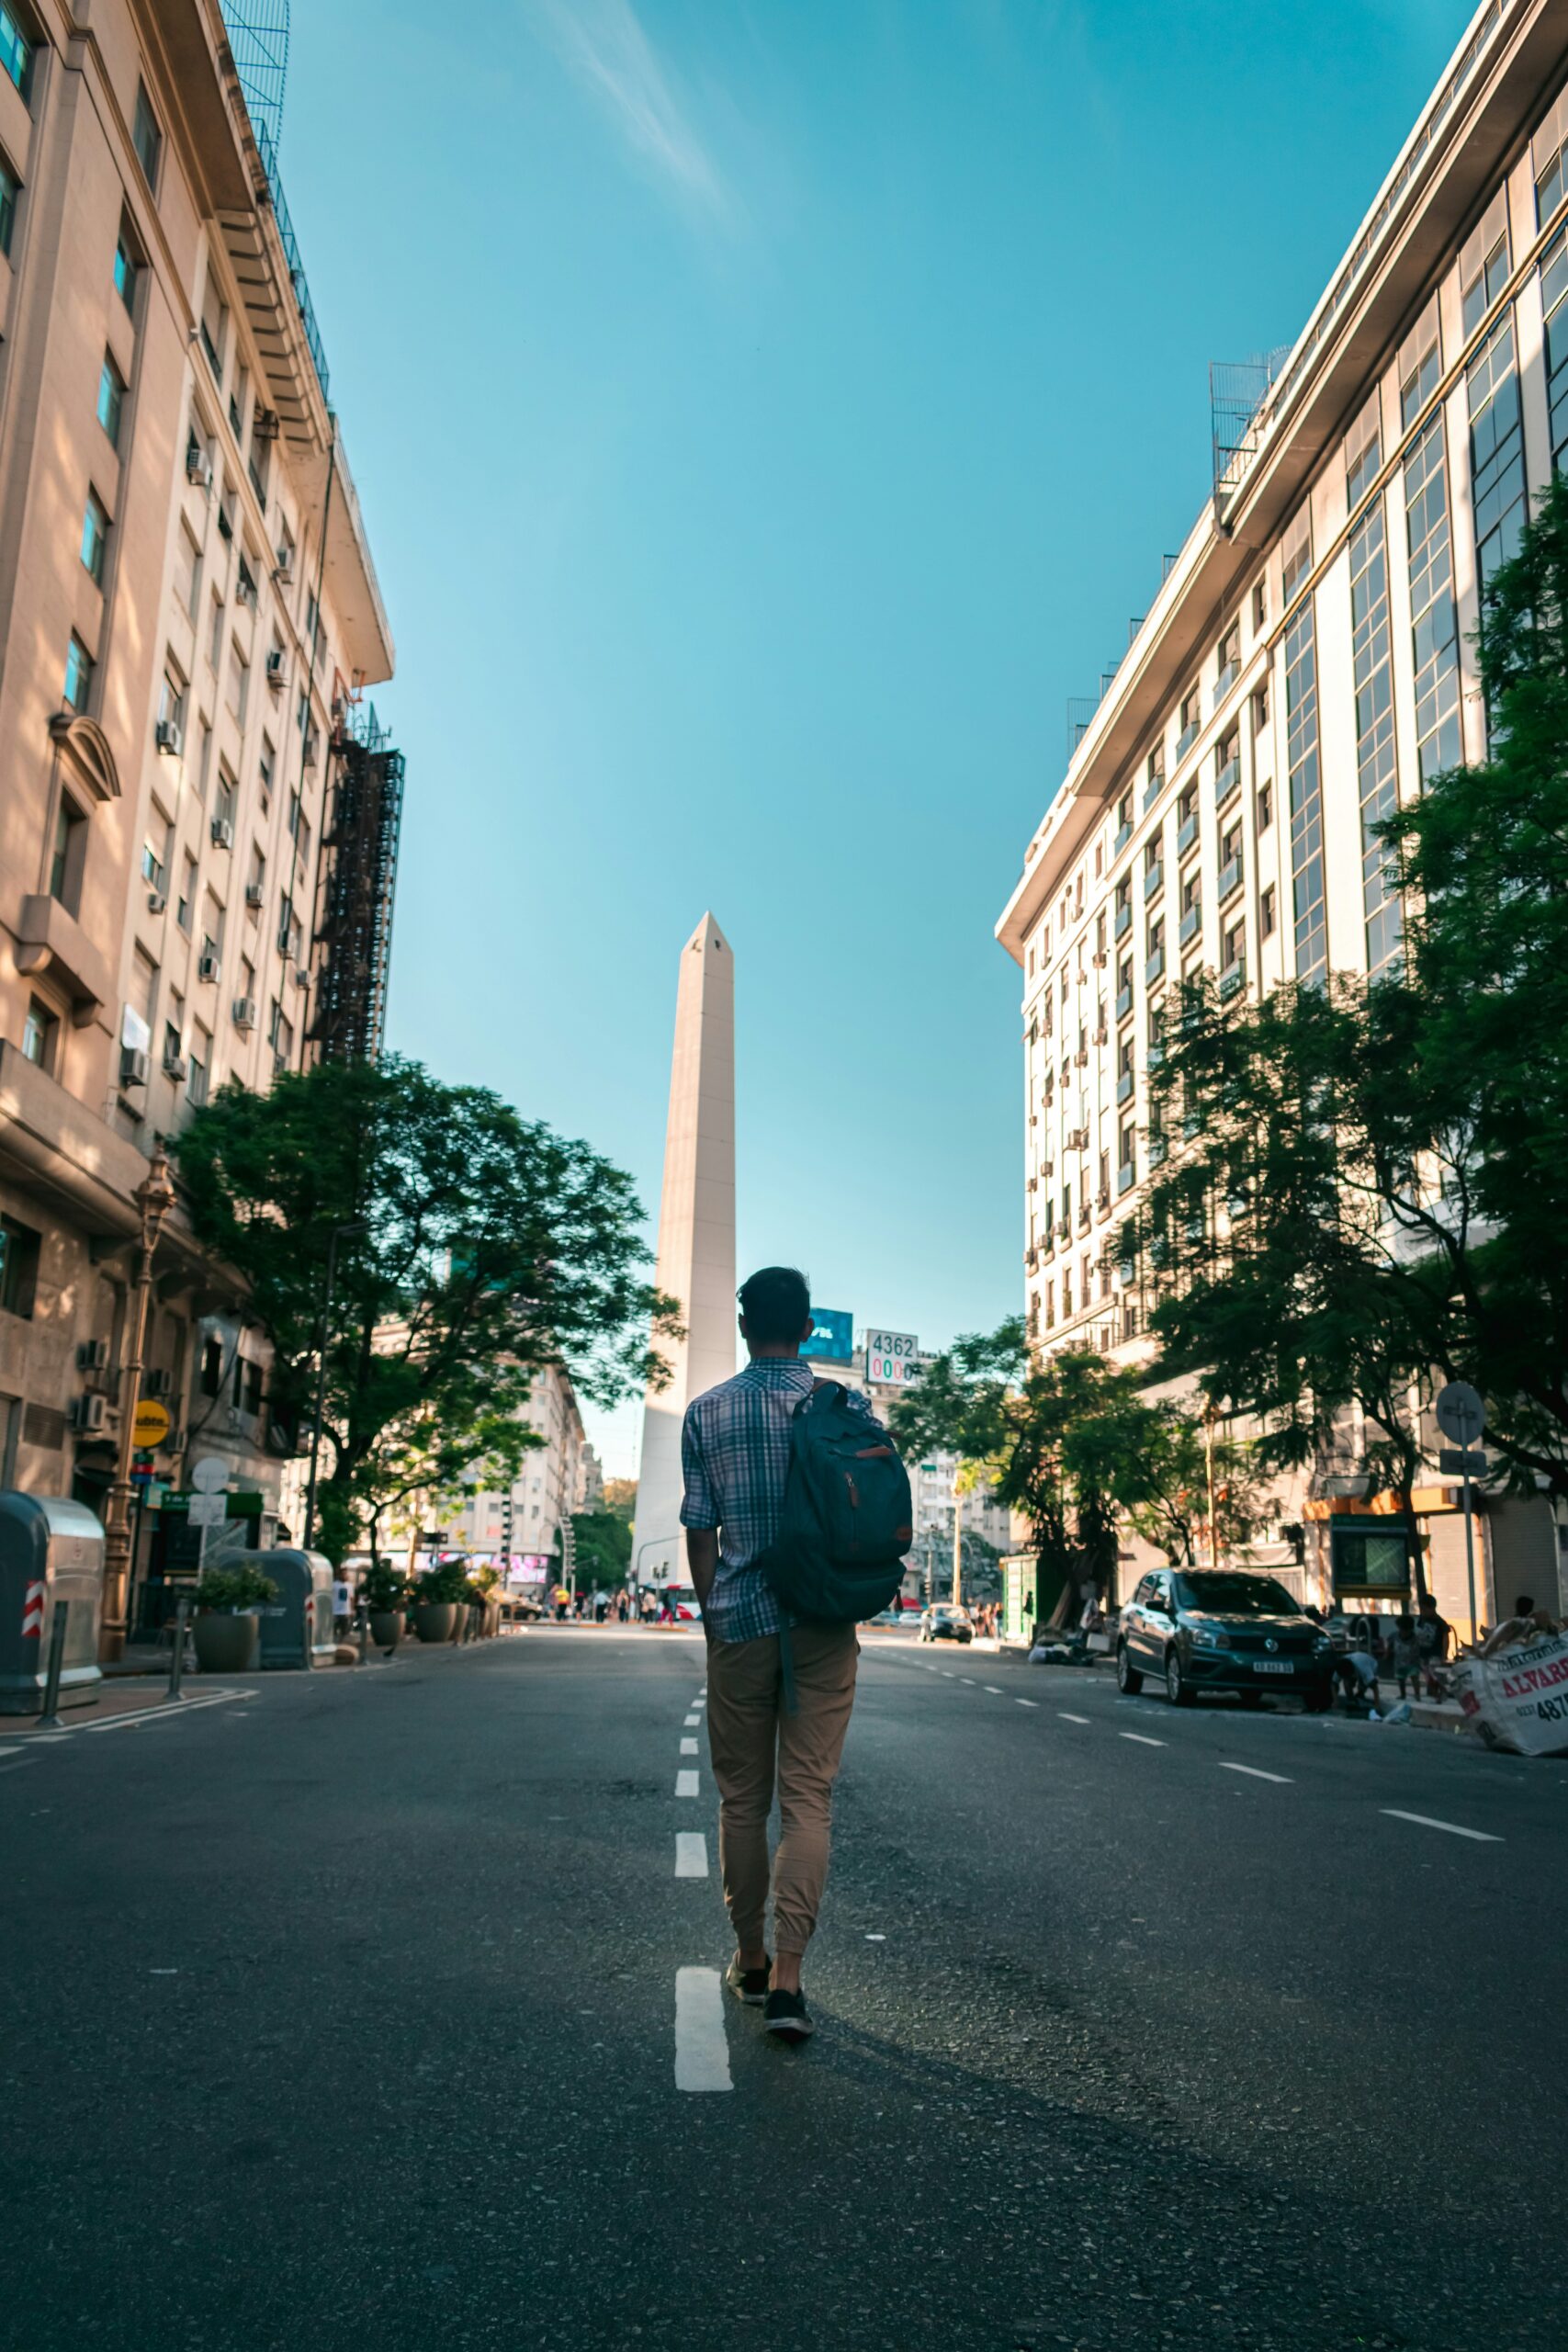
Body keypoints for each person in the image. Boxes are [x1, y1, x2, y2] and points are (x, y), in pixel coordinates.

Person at [681, 1265, 870, 2043]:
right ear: (806, 1329)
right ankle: (791, 1983)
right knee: (808, 1801)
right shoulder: (844, 1406)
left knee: (741, 1802)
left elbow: (700, 1526)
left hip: (743, 1622)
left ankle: (751, 1959)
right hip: (824, 1620)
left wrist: (711, 1613)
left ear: (742, 1324)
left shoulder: (706, 1412)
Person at [1414, 1592, 1452, 1695]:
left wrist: (1444, 1654)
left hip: (1435, 1652)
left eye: (1424, 1610)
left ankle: (1439, 1690)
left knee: (1435, 1672)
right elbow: (1419, 1633)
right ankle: (1431, 1690)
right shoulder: (1422, 1619)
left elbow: (1445, 1638)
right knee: (1426, 1673)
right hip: (1423, 1651)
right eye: (1421, 1609)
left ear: (1432, 1608)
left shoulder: (1440, 1622)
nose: (1422, 1612)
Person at [1391, 1610, 1422, 1701]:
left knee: (1414, 1677)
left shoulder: (1415, 1639)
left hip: (1413, 1662)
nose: (1403, 1633)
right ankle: (1403, 1694)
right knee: (1401, 1679)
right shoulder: (1395, 1636)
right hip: (1399, 1662)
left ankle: (1417, 1695)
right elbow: (1390, 1644)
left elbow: (1419, 1650)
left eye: (1405, 1631)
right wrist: (1387, 1653)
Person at [333, 1576, 352, 1640]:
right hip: (335, 1611)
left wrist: (352, 1609)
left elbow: (352, 1598)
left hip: (346, 1611)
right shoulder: (334, 1585)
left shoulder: (349, 1585)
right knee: (334, 1630)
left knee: (344, 1631)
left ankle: (340, 1643)